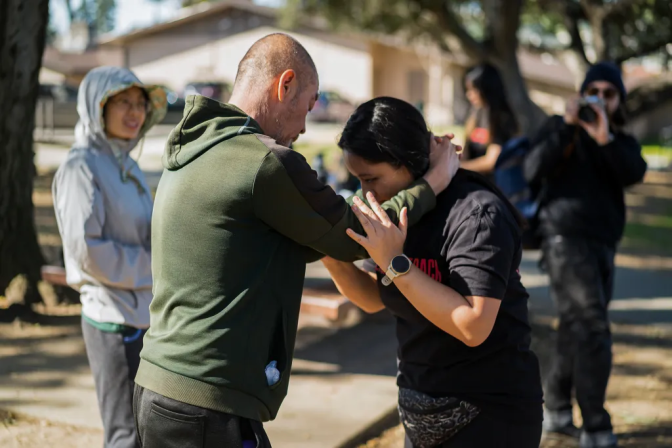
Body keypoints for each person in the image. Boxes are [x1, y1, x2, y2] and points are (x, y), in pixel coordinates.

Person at [133, 33, 459, 448]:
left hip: (158, 387)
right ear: (284, 84)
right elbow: (363, 237)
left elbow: (307, 238)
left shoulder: (197, 147)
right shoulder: (264, 162)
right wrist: (435, 180)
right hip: (208, 403)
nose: (305, 127)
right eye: (308, 105)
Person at [321, 97, 544, 448]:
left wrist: (396, 263)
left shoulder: (476, 214)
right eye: (358, 180)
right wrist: (330, 254)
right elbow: (372, 298)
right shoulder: (396, 211)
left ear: (409, 162)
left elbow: (473, 325)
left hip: (488, 414)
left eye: (372, 178)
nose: (366, 193)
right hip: (421, 408)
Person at [524, 62, 647, 448]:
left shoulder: (619, 139)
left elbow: (634, 172)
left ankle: (558, 409)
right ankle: (596, 425)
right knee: (593, 327)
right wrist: (566, 124)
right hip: (563, 239)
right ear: (581, 93)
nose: (600, 99)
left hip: (603, 245)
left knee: (576, 326)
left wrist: (604, 137)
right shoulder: (560, 129)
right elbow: (532, 168)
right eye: (593, 91)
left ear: (618, 100)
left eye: (609, 93)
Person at [52, 66, 167, 448]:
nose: (135, 112)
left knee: (146, 429)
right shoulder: (80, 168)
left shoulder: (125, 164)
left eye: (139, 104)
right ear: (96, 107)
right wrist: (156, 267)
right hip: (112, 320)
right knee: (124, 434)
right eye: (123, 103)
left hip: (142, 314)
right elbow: (88, 252)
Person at [460, 63, 519, 176]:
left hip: (489, 186)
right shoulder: (475, 112)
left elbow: (490, 162)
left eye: (473, 89)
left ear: (486, 89)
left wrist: (459, 168)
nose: (469, 95)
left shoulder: (502, 118)